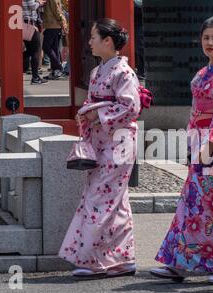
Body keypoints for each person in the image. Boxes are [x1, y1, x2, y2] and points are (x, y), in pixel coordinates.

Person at [150, 16, 213, 284]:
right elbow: (194, 113)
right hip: (200, 143)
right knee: (192, 205)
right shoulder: (203, 73)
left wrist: (212, 144)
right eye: (206, 38)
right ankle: (180, 262)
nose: (210, 43)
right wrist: (192, 145)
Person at [59, 18, 141, 278]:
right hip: (102, 141)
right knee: (116, 201)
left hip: (119, 142)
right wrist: (87, 115)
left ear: (108, 41)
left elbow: (131, 107)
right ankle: (123, 258)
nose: (90, 41)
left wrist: (97, 115)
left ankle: (93, 260)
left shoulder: (124, 72)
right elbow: (97, 105)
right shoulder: (98, 72)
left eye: (94, 36)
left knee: (100, 198)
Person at [22, 0, 48, 85]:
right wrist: (39, 2)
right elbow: (32, 6)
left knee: (30, 50)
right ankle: (35, 77)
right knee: (36, 50)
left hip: (25, 24)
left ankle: (16, 61)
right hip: (30, 24)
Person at [42, 0, 68, 80]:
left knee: (46, 47)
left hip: (52, 25)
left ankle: (58, 67)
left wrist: (62, 21)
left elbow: (57, 11)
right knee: (54, 48)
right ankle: (55, 70)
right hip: (54, 25)